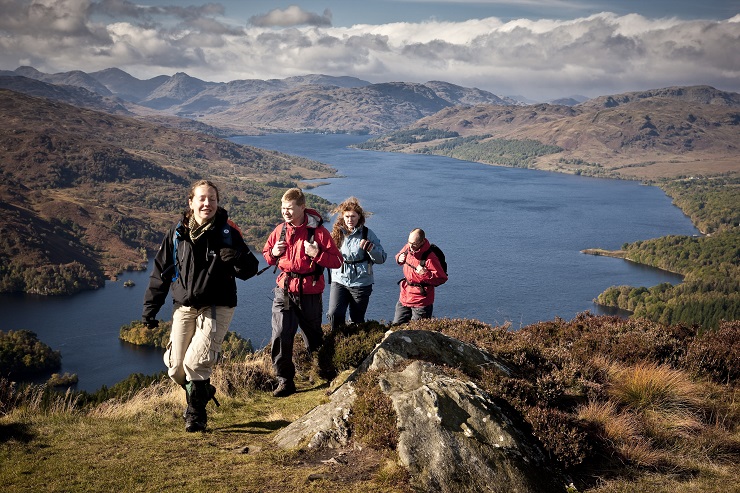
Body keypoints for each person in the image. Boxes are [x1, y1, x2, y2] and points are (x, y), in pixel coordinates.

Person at [142, 180, 259, 432]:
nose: (208, 203)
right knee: (175, 367)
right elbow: (160, 273)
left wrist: (237, 257)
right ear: (191, 202)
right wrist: (150, 310)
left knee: (195, 363)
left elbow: (250, 269)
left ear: (218, 202)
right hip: (184, 305)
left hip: (217, 305)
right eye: (202, 198)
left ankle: (196, 415)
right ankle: (202, 390)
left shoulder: (228, 233)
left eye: (212, 199)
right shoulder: (177, 234)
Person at [262, 188, 342, 397]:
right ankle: (285, 381)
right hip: (284, 290)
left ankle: (323, 372)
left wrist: (317, 254)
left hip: (310, 292)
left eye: (289, 208)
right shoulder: (280, 230)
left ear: (301, 208)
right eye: (283, 208)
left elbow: (336, 261)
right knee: (280, 334)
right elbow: (267, 255)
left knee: (313, 336)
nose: (285, 212)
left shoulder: (319, 232)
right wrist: (273, 253)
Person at [327, 197, 387, 332]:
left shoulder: (367, 233)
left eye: (353, 216)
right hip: (339, 279)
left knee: (357, 319)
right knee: (334, 314)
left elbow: (382, 258)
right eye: (347, 216)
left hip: (361, 282)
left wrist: (371, 249)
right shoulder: (337, 233)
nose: (350, 219)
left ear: (359, 217)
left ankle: (354, 342)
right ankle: (338, 339)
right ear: (343, 216)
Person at [392, 228, 448, 324]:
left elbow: (441, 278)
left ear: (422, 241)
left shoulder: (430, 258)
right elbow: (399, 255)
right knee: (396, 327)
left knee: (417, 331)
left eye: (414, 244)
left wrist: (425, 274)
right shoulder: (408, 248)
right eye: (409, 242)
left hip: (421, 301)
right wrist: (399, 258)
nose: (411, 246)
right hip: (405, 296)